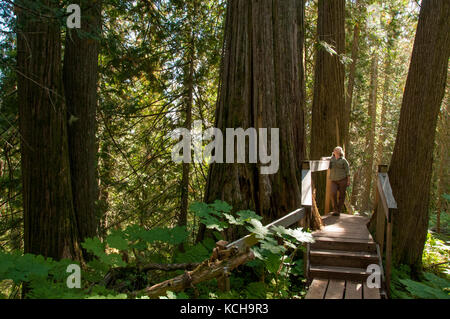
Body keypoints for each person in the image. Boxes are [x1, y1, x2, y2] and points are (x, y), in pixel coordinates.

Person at [328, 146, 350, 217]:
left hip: (342, 180)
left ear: (340, 152)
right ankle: (335, 209)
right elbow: (326, 160)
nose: (336, 151)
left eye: (337, 150)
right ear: (333, 152)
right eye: (335, 150)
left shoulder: (343, 160)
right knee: (333, 193)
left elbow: (347, 171)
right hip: (334, 180)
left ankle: (338, 210)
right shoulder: (331, 159)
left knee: (341, 195)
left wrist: (348, 181)